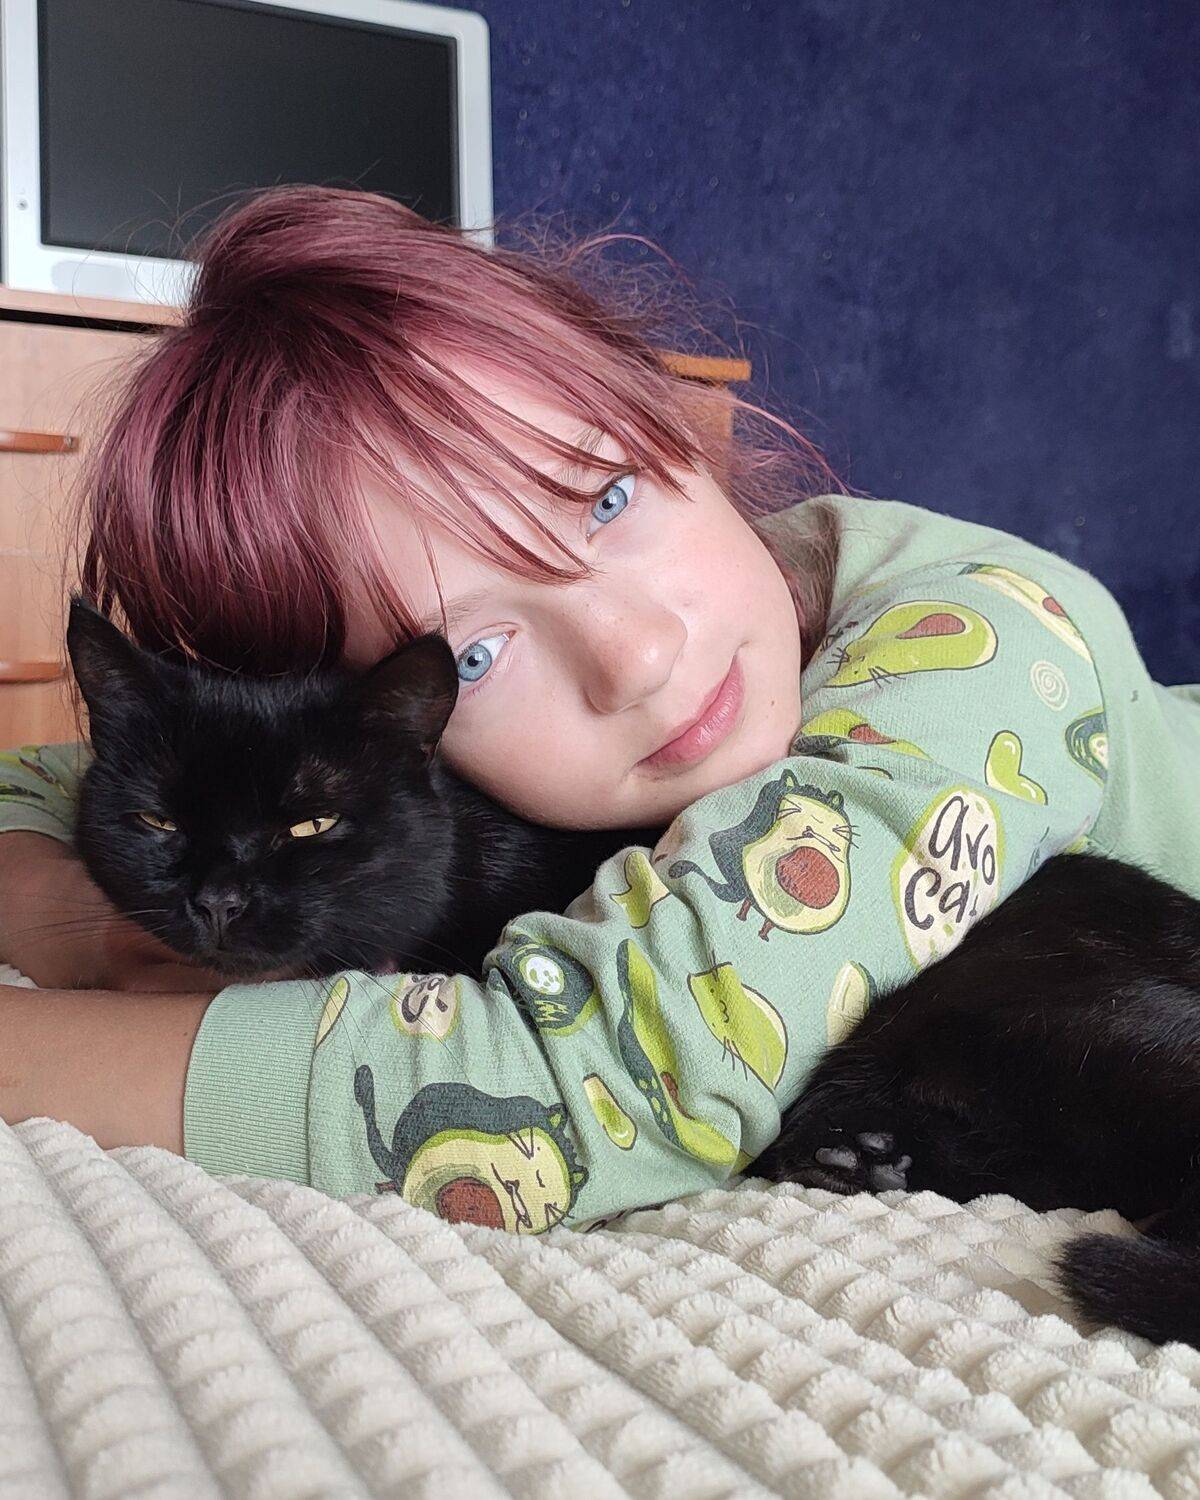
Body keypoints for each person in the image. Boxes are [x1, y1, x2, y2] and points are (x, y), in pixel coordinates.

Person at [2, 186, 1198, 1233]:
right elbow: (34, 783)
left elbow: (596, 1087)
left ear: (670, 423)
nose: (635, 654)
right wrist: (88, 923)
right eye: (475, 655)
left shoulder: (983, 644)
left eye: (609, 496)